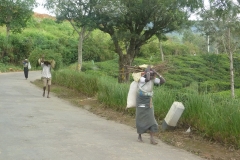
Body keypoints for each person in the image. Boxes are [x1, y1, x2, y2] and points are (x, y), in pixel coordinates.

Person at [136, 65, 166, 145]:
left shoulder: (153, 79)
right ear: (146, 73)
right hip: (141, 100)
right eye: (152, 74)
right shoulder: (141, 78)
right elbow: (147, 79)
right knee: (140, 117)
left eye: (153, 75)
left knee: (152, 119)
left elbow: (163, 81)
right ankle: (139, 136)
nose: (153, 76)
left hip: (148, 100)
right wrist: (148, 71)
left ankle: (152, 138)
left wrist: (157, 73)